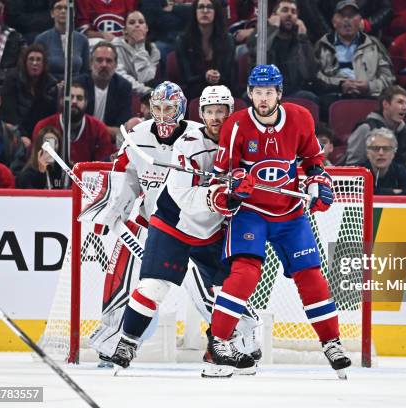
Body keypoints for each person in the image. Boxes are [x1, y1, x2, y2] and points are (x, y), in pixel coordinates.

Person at [83, 83, 260, 372]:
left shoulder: (238, 142)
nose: (215, 118)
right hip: (165, 222)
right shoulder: (184, 142)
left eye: (221, 112)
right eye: (210, 112)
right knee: (147, 285)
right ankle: (119, 341)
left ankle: (235, 340)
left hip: (210, 228)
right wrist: (111, 213)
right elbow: (151, 185)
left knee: (220, 290)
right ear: (202, 114)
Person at [204, 64, 351, 378]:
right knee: (245, 274)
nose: (263, 98)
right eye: (258, 92)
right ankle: (218, 340)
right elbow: (219, 179)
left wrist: (318, 186)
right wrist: (234, 187)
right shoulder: (235, 125)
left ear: (279, 94)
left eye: (269, 92)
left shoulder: (299, 118)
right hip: (251, 214)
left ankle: (331, 342)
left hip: (289, 214)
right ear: (250, 93)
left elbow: (314, 164)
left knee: (311, 276)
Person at [314, 0, 394, 119]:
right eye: (342, 16)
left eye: (351, 16)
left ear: (360, 20)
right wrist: (340, 84)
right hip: (335, 96)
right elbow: (316, 77)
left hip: (368, 96)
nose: (347, 20)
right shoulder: (322, 45)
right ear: (334, 22)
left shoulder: (374, 45)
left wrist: (369, 86)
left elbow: (388, 78)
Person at [247, 0, 318, 102]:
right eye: (285, 10)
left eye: (293, 12)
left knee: (311, 98)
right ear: (274, 16)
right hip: (266, 89)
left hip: (293, 91)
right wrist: (272, 28)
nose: (289, 15)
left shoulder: (300, 40)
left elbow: (310, 73)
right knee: (248, 96)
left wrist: (303, 38)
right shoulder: (262, 35)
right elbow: (257, 55)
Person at [32, 83, 115, 164]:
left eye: (79, 98)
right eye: (70, 97)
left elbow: (102, 166)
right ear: (61, 101)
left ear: (86, 103)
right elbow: (36, 164)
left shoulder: (99, 129)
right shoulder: (44, 127)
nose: (74, 101)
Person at [344, 85, 406, 175]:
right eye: (400, 102)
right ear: (385, 104)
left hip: (397, 185)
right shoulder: (366, 129)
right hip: (367, 184)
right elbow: (351, 167)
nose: (405, 107)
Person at [175, 0, 235, 101]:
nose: (205, 11)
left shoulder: (227, 39)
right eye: (201, 7)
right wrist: (205, 77)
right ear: (195, 12)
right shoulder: (183, 40)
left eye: (210, 7)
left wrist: (218, 77)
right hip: (193, 90)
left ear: (216, 12)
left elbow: (229, 74)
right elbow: (185, 76)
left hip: (221, 89)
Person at [0, 44, 59, 142]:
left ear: (44, 64)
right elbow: (9, 113)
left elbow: (50, 117)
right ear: (25, 62)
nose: (35, 63)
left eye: (38, 59)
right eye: (31, 59)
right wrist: (21, 135)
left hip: (40, 133)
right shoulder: (12, 80)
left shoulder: (51, 85)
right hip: (15, 132)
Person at [75, 42, 133, 141]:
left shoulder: (124, 87)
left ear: (116, 65)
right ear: (90, 63)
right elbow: (73, 124)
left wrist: (93, 128)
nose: (104, 65)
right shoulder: (77, 85)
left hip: (109, 143)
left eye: (109, 61)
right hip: (80, 140)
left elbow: (122, 131)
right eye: (99, 60)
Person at [34, 0, 90, 81]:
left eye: (67, 8)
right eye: (59, 8)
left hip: (75, 88)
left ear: (73, 13)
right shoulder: (41, 39)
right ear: (52, 13)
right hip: (49, 87)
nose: (63, 11)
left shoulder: (83, 40)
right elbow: (39, 70)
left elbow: (85, 72)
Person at [112, 11, 160, 96]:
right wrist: (146, 91)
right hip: (122, 92)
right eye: (132, 22)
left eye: (141, 22)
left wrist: (140, 46)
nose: (137, 25)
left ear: (146, 29)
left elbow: (146, 79)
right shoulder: (115, 48)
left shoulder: (154, 51)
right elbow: (122, 78)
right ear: (125, 31)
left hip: (148, 91)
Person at [363, 128, 406, 196]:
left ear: (393, 153)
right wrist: (393, 192)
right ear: (368, 153)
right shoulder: (358, 173)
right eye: (376, 148)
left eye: (386, 149)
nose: (381, 153)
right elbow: (355, 194)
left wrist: (375, 192)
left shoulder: (401, 171)